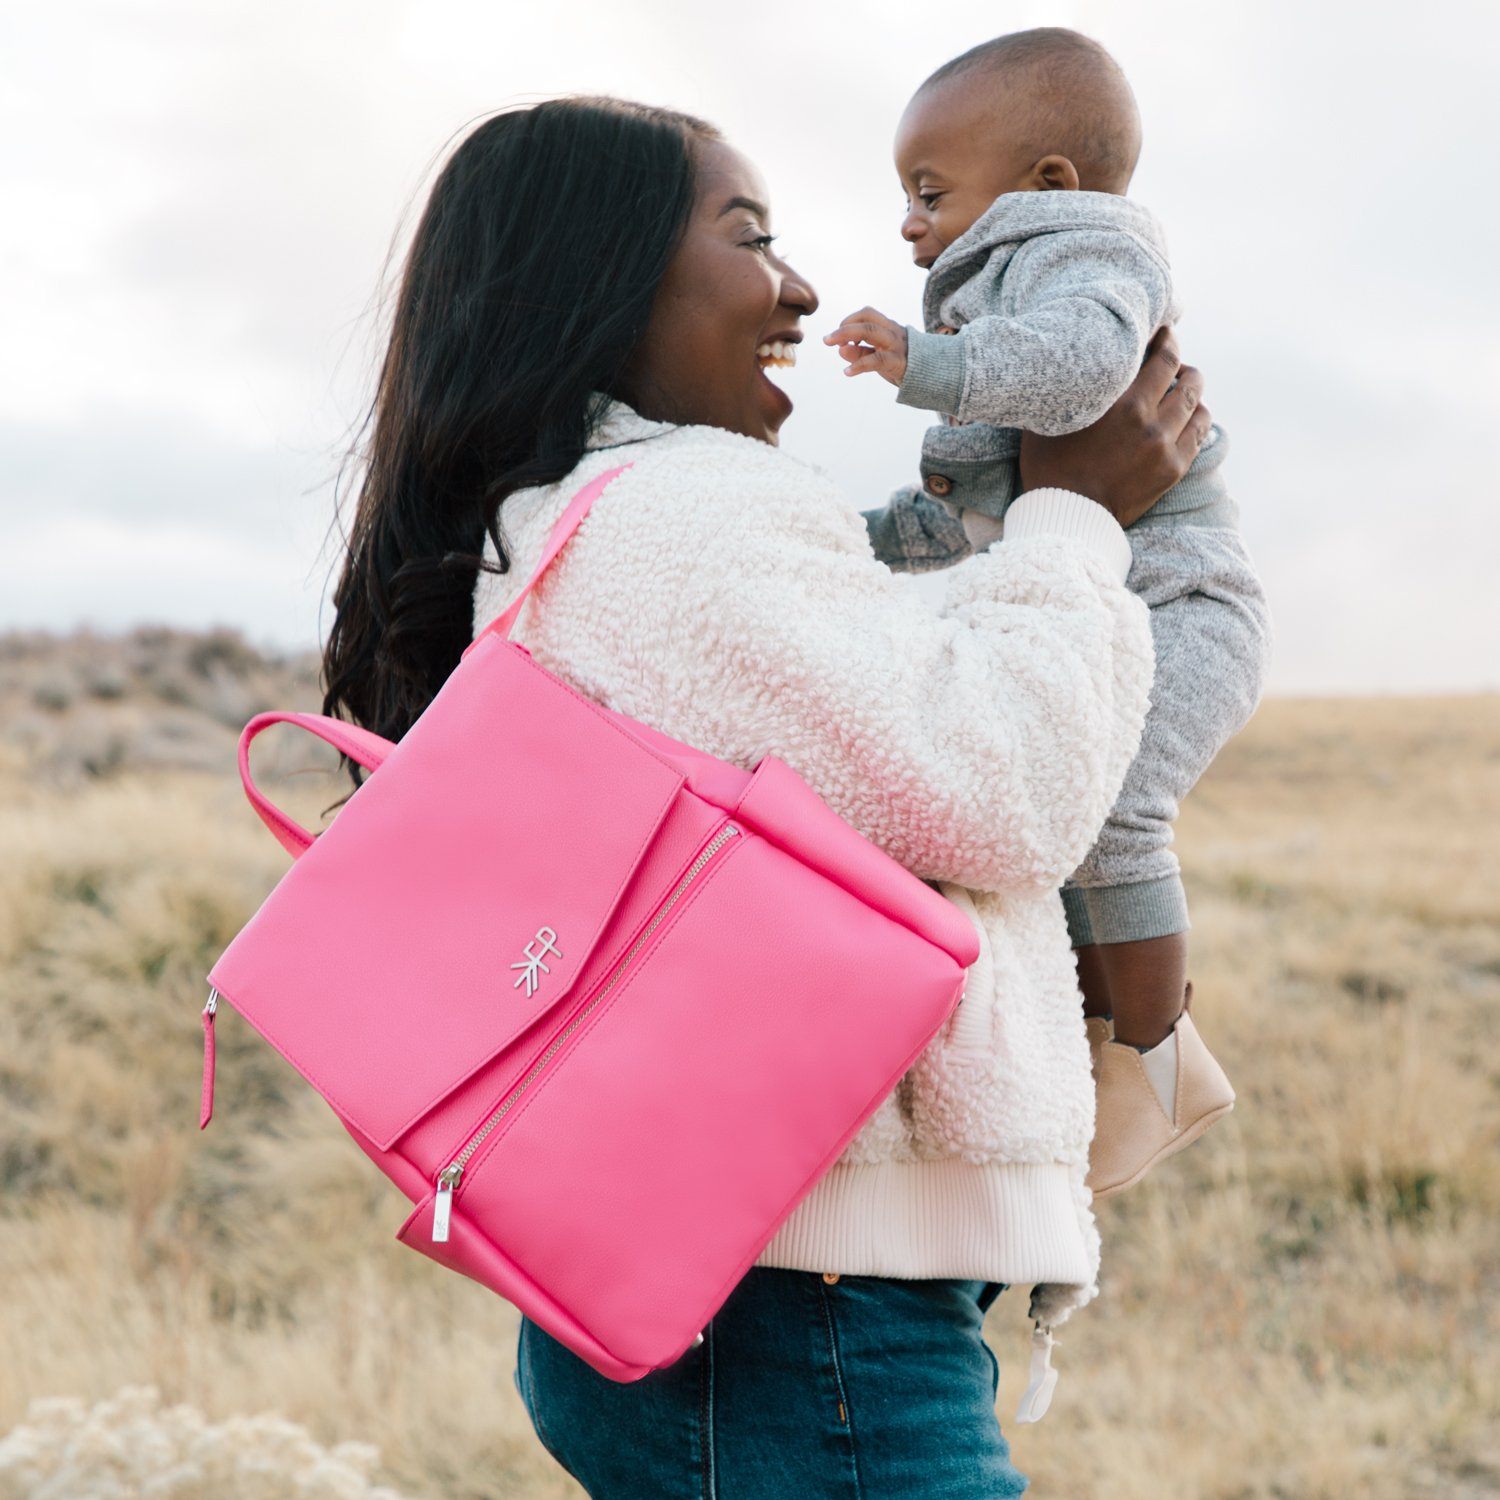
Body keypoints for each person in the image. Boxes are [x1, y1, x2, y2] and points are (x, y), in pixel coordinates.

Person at [321, 95, 1213, 1498]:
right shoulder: (682, 514)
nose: (800, 285)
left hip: (737, 1287)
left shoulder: (570, 519)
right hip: (805, 1306)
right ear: (603, 282)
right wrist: (1076, 518)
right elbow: (1005, 789)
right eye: (751, 238)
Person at [828, 27, 1270, 1197]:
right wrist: (845, 540)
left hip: (1183, 601)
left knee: (1114, 805)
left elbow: (1077, 375)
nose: (911, 224)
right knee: (1067, 813)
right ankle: (1111, 1049)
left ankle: (1157, 1059)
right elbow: (982, 513)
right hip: (1120, 593)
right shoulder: (1008, 288)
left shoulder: (1088, 263)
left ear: (1047, 187)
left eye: (930, 192)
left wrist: (923, 360)